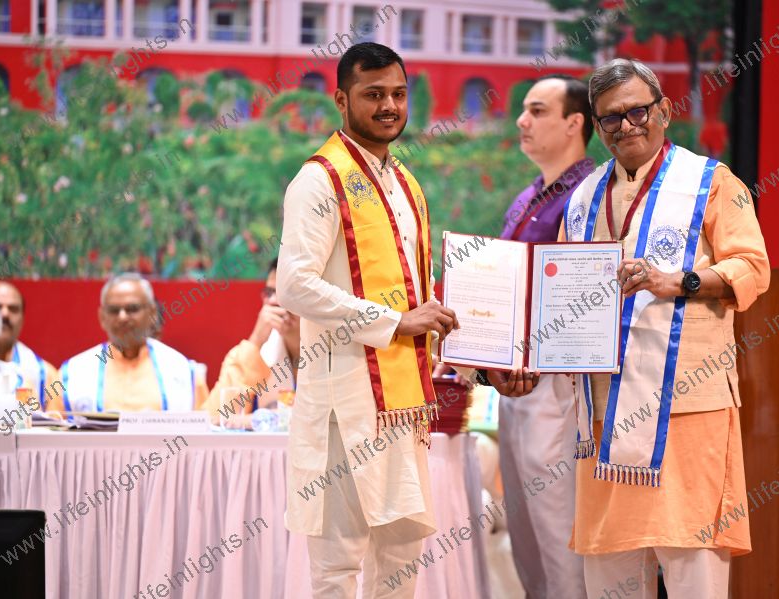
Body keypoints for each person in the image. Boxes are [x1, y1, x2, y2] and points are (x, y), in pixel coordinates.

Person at [560, 59, 770, 597]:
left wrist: (680, 281)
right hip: (604, 411)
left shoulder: (711, 181)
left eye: (638, 111)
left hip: (688, 404)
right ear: (597, 126)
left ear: (665, 111)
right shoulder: (583, 199)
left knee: (692, 562)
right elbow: (559, 293)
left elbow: (753, 268)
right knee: (610, 569)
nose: (627, 125)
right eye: (611, 118)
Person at [276, 42, 459, 598]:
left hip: (403, 406)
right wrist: (394, 322)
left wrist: (463, 350)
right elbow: (294, 284)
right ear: (341, 100)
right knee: (338, 566)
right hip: (345, 403)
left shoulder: (404, 181)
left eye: (398, 94)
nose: (389, 106)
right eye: (373, 94)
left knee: (401, 561)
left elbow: (421, 295)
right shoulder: (318, 180)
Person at [478, 74, 594, 599]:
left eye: (538, 110)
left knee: (557, 531)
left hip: (557, 383)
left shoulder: (588, 196)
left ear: (574, 123)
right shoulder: (528, 197)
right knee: (525, 536)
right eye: (523, 110)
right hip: (514, 382)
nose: (522, 121)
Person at [56, 273, 208, 412]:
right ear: (102, 317)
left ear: (153, 313)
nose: (122, 317)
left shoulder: (184, 371)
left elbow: (204, 429)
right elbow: (52, 427)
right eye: (114, 310)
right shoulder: (73, 372)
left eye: (132, 309)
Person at [203, 259, 300, 415]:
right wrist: (256, 341)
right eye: (269, 292)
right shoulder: (254, 353)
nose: (273, 301)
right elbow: (216, 417)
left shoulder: (333, 351)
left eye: (285, 293)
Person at [0, 281, 63, 410]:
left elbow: (55, 420)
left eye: (13, 309)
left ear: (22, 320)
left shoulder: (46, 375)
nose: (5, 314)